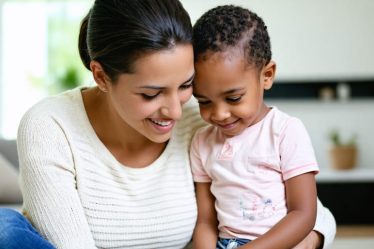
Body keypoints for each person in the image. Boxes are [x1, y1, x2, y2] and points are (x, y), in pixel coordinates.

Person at [0, 1, 335, 249]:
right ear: (101, 76)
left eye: (187, 85)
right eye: (152, 93)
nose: (176, 110)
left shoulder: (204, 119)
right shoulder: (49, 126)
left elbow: (315, 215)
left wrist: (307, 240)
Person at [190, 5, 334, 249]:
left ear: (267, 75)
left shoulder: (285, 131)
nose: (219, 114)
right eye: (204, 101)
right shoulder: (201, 142)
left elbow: (304, 214)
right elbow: (205, 221)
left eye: (233, 98)